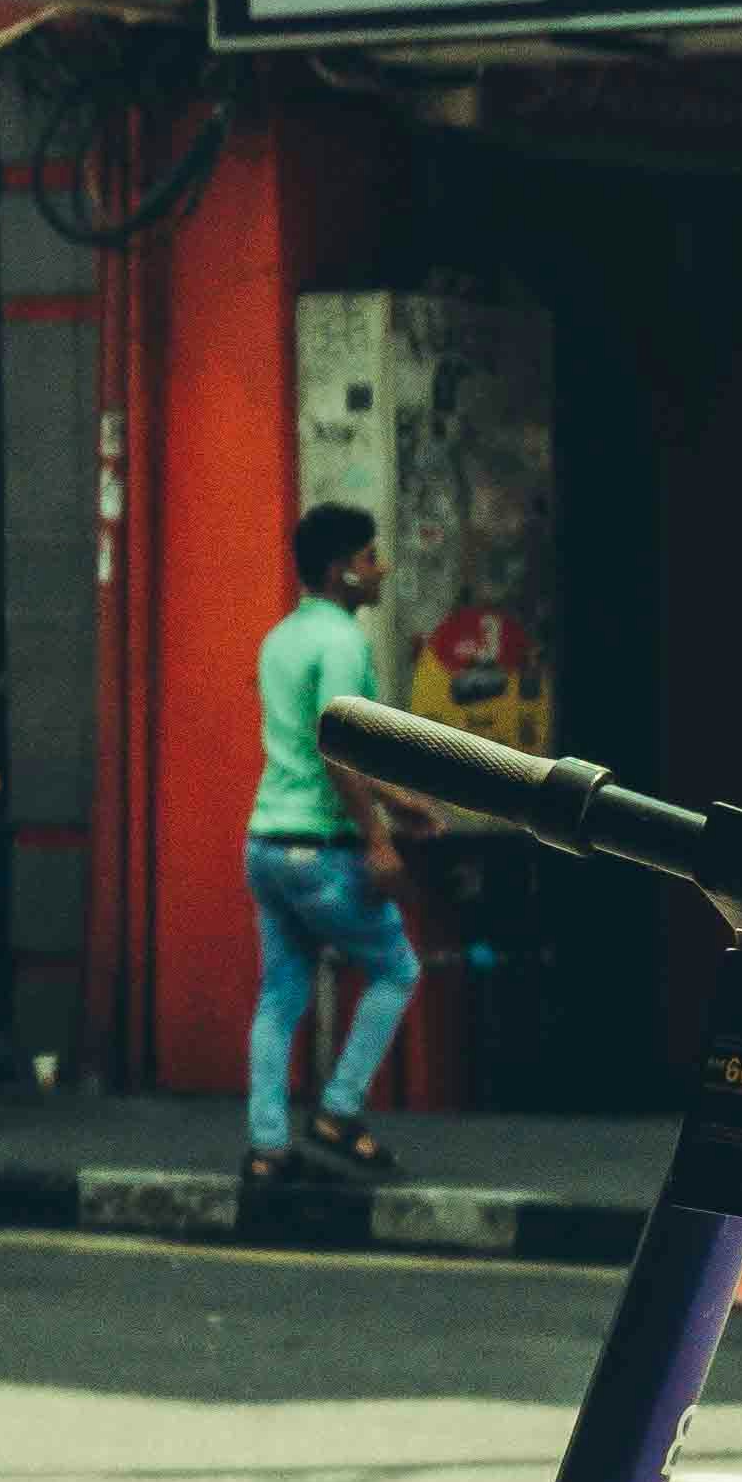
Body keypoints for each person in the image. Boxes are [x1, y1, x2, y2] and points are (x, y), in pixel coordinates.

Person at [247, 504, 418, 1183]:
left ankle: (266, 1148)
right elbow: (338, 750)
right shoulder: (343, 643)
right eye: (371, 557)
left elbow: (304, 745)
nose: (380, 569)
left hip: (266, 842)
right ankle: (339, 1111)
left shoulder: (281, 638)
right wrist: (378, 839)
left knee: (279, 995)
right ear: (343, 570)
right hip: (321, 850)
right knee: (396, 968)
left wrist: (400, 802)